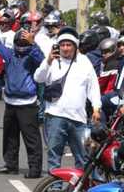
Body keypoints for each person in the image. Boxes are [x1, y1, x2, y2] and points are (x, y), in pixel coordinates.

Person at [34, 27, 101, 171]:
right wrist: (48, 60)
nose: (65, 48)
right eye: (62, 45)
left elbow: (93, 87)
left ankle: (79, 190)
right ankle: (54, 190)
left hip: (79, 120)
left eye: (69, 45)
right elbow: (38, 77)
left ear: (75, 46)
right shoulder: (51, 60)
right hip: (55, 117)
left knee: (83, 157)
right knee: (54, 156)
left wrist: (96, 107)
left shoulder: (84, 62)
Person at [0, 28, 45, 178]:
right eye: (19, 42)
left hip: (28, 104)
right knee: (10, 137)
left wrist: (33, 44)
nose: (21, 45)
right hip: (10, 103)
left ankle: (34, 169)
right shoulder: (11, 55)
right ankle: (10, 165)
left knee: (32, 139)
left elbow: (43, 61)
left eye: (24, 42)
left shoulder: (33, 57)